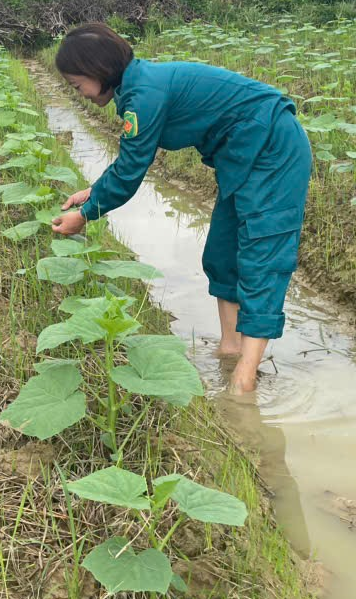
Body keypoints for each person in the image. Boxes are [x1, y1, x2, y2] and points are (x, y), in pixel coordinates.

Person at [50, 23, 312, 394]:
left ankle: (245, 378)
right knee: (222, 253)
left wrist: (85, 215)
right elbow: (132, 158)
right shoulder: (137, 88)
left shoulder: (144, 94)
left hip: (273, 148)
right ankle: (230, 349)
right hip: (240, 155)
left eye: (78, 85)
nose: (79, 94)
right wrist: (93, 193)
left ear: (99, 70)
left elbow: (130, 172)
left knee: (261, 255)